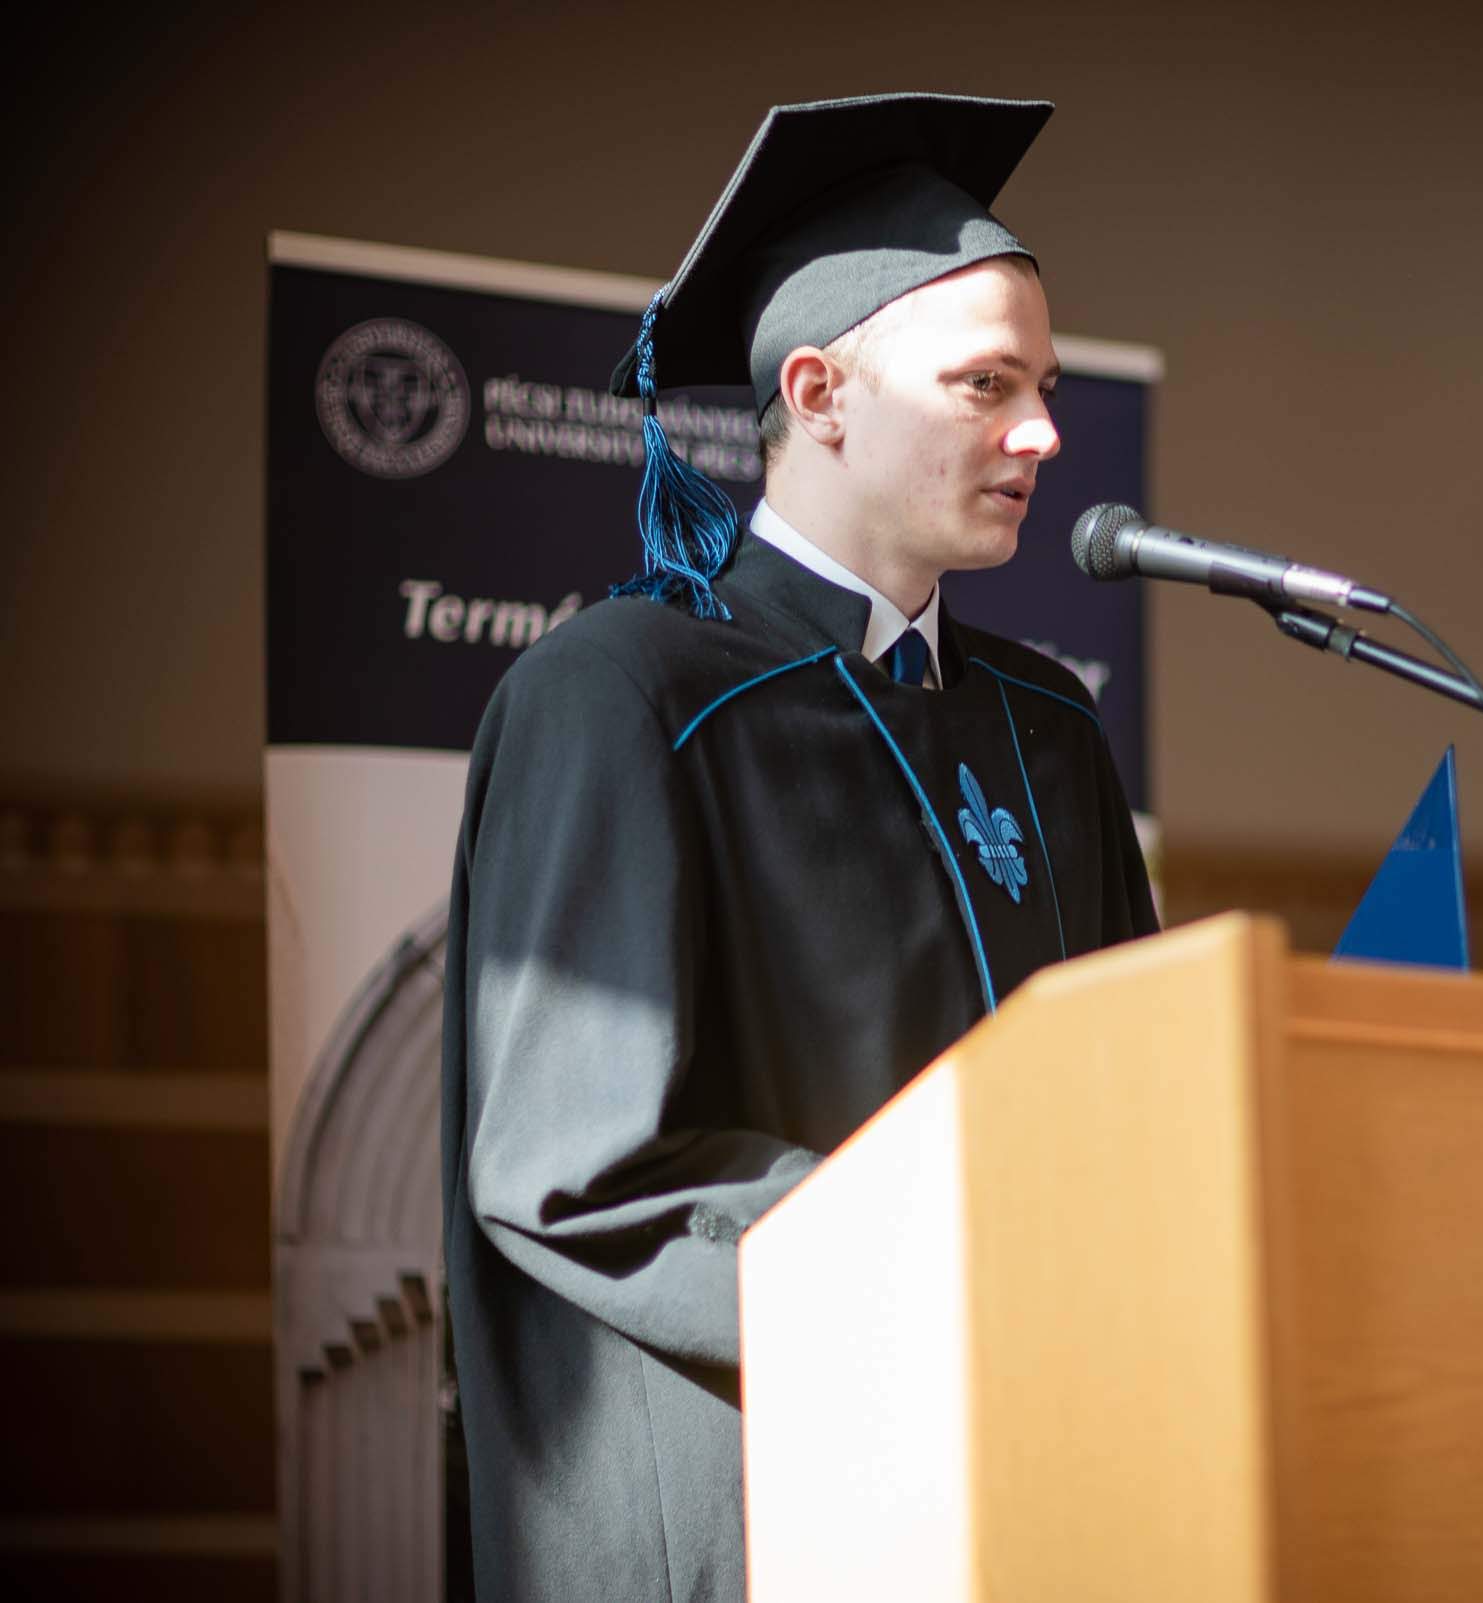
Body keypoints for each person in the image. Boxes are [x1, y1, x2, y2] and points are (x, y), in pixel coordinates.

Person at [439, 94, 1158, 1602]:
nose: (1044, 432)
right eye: (986, 384)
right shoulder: (626, 697)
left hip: (1034, 1491)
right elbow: (577, 1170)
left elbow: (1129, 1106)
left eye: (1043, 387)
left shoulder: (1047, 729)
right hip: (761, 1501)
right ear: (820, 394)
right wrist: (943, 1276)